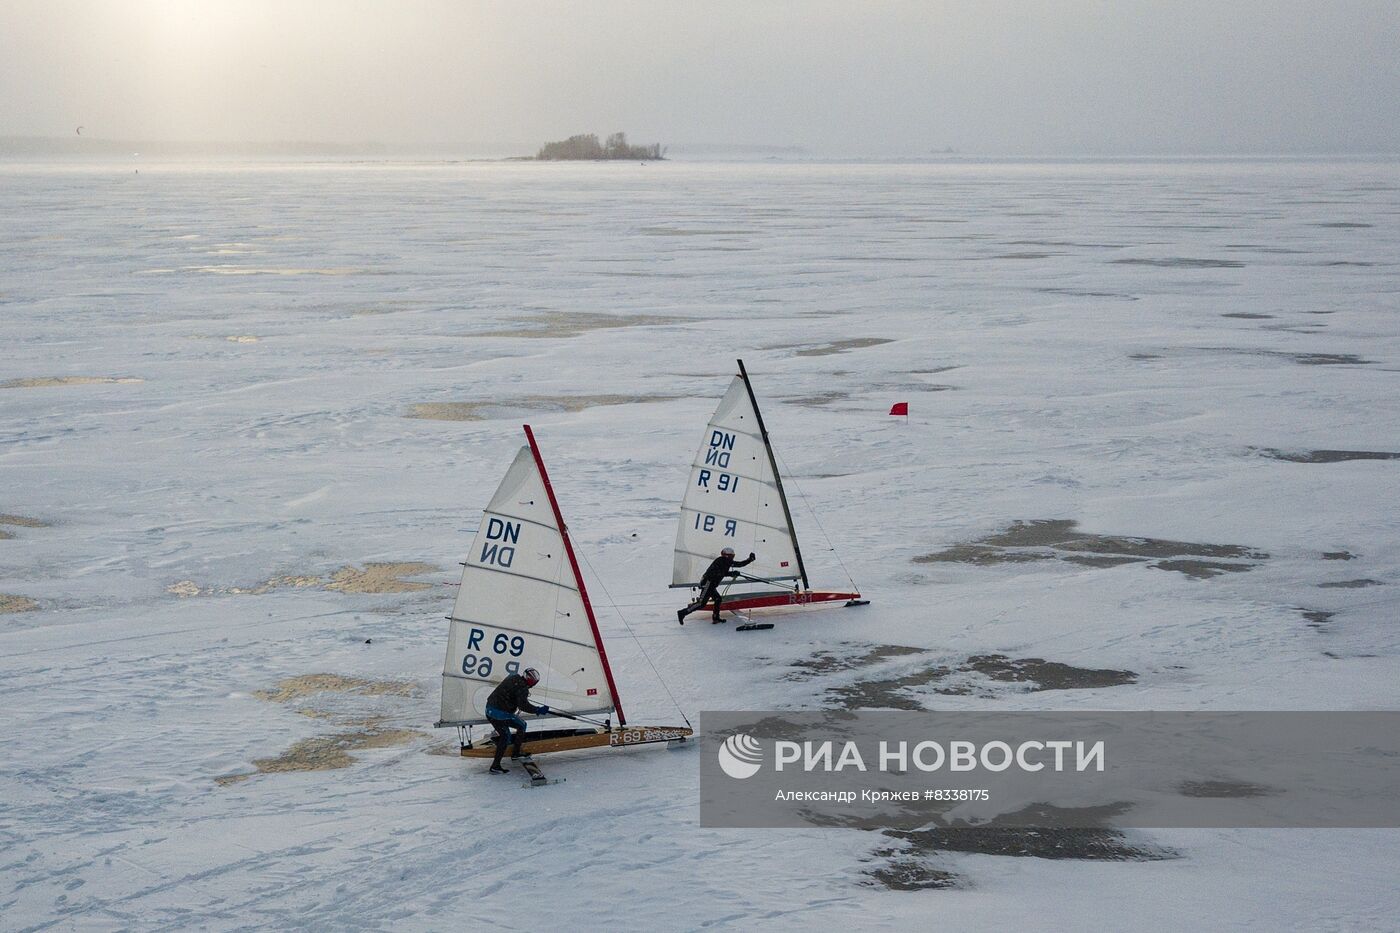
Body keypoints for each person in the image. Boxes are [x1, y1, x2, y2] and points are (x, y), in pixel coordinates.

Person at [484, 667, 549, 774]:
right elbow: (523, 706)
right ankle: (495, 766)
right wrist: (538, 710)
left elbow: (512, 694)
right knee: (508, 734)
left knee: (518, 726)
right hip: (498, 714)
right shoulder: (522, 689)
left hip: (489, 709)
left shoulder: (513, 677)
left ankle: (515, 754)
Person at [677, 546, 756, 625]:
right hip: (708, 584)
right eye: (732, 556)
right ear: (727, 555)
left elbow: (722, 572)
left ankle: (716, 618)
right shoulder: (721, 561)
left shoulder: (724, 561)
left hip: (711, 585)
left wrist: (732, 573)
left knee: (718, 599)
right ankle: (682, 613)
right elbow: (736, 565)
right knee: (701, 603)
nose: (732, 558)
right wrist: (749, 560)